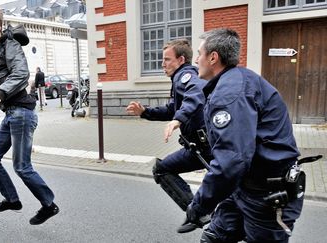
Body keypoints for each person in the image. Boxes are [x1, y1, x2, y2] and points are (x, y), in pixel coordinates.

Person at [185, 28, 303, 242]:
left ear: (213, 58)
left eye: (198, 54)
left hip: (264, 198)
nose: (195, 60)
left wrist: (199, 205)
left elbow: (231, 161)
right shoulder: (235, 80)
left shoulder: (230, 93)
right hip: (244, 187)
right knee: (213, 237)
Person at [0, 6, 59, 225]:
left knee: (22, 166)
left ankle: (49, 205)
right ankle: (12, 199)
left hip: (22, 113)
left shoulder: (9, 45)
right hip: (10, 114)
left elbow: (21, 74)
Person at [126, 39, 211, 233]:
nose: (162, 64)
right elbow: (172, 109)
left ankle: (199, 213)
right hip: (201, 146)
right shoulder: (180, 78)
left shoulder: (186, 75)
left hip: (205, 147)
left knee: (162, 169)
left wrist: (178, 120)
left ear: (181, 59)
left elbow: (196, 95)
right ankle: (200, 212)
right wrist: (145, 112)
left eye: (167, 59)